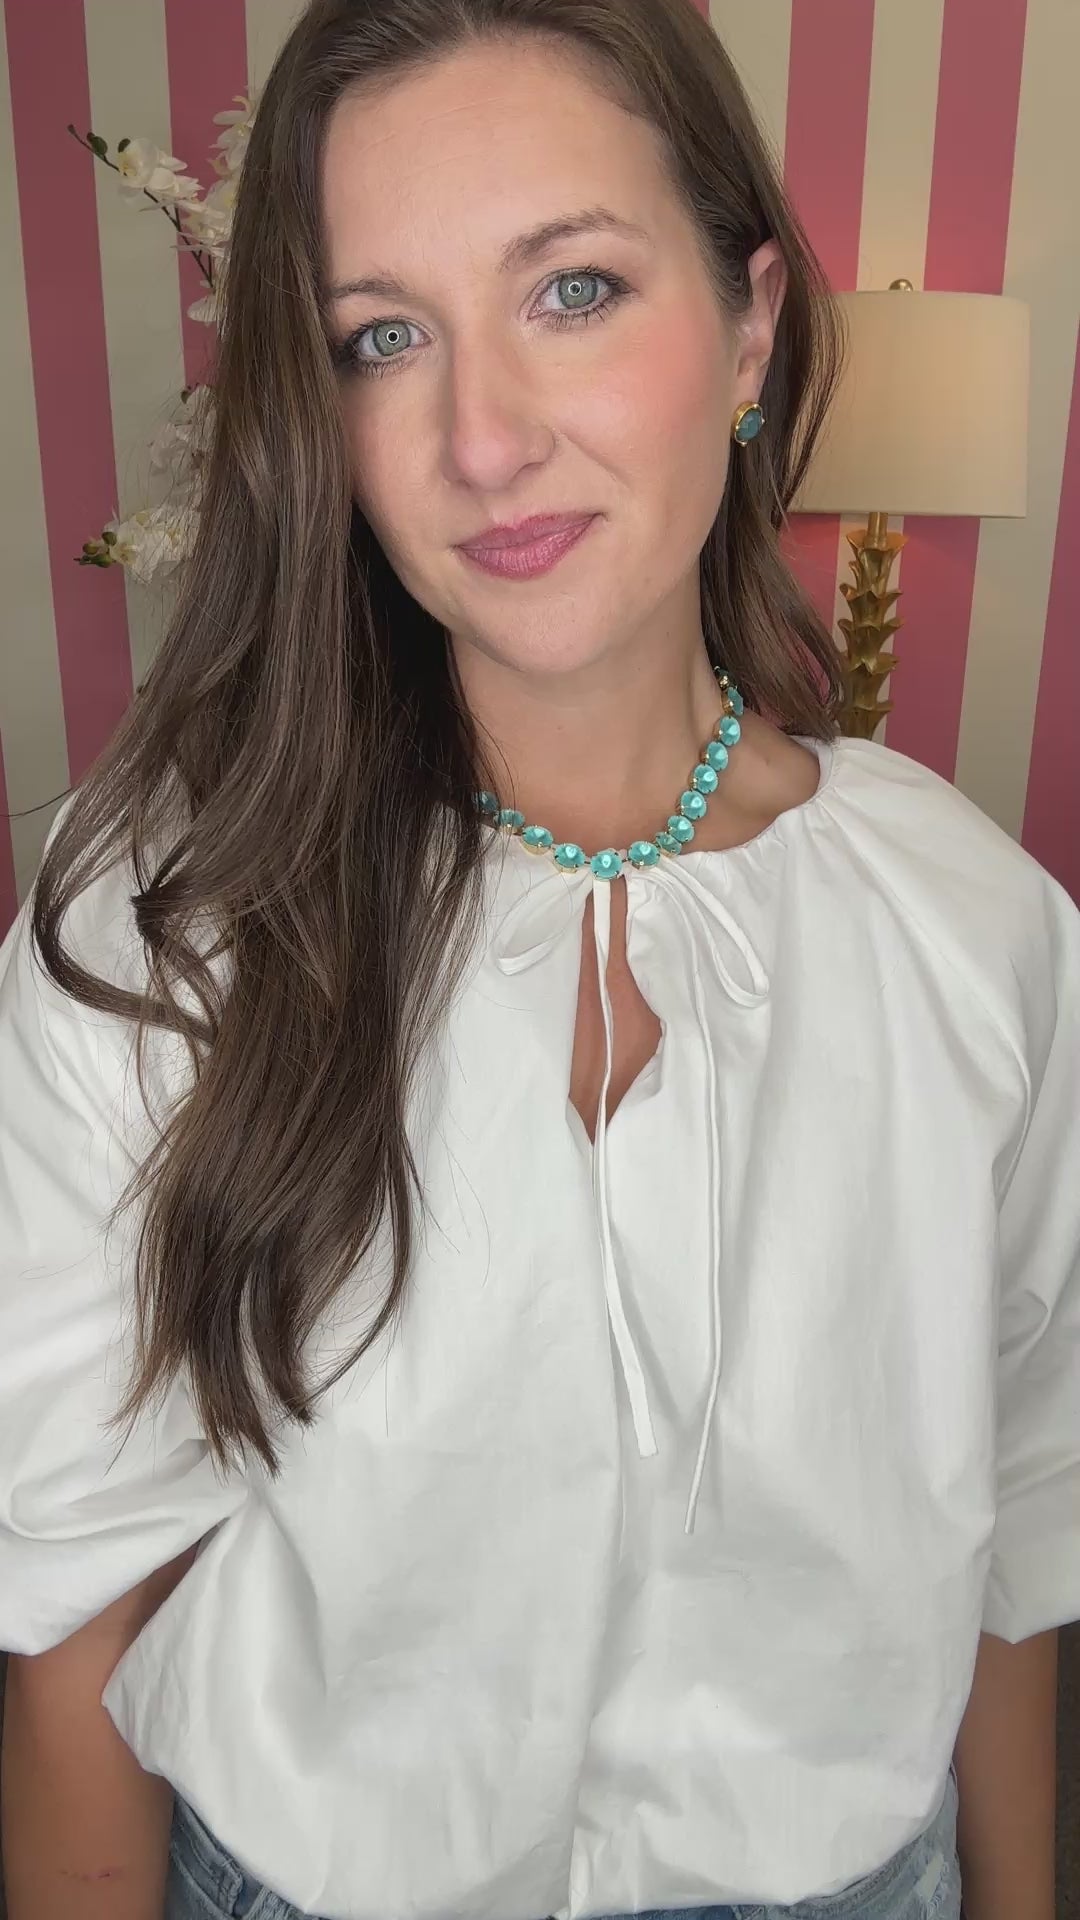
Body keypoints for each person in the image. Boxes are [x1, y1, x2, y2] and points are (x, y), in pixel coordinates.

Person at [0, 0, 1076, 1916]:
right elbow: (78, 1614)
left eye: (573, 290)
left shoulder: (977, 932)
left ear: (748, 330)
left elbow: (1017, 1528)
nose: (483, 440)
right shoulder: (156, 930)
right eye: (381, 337)